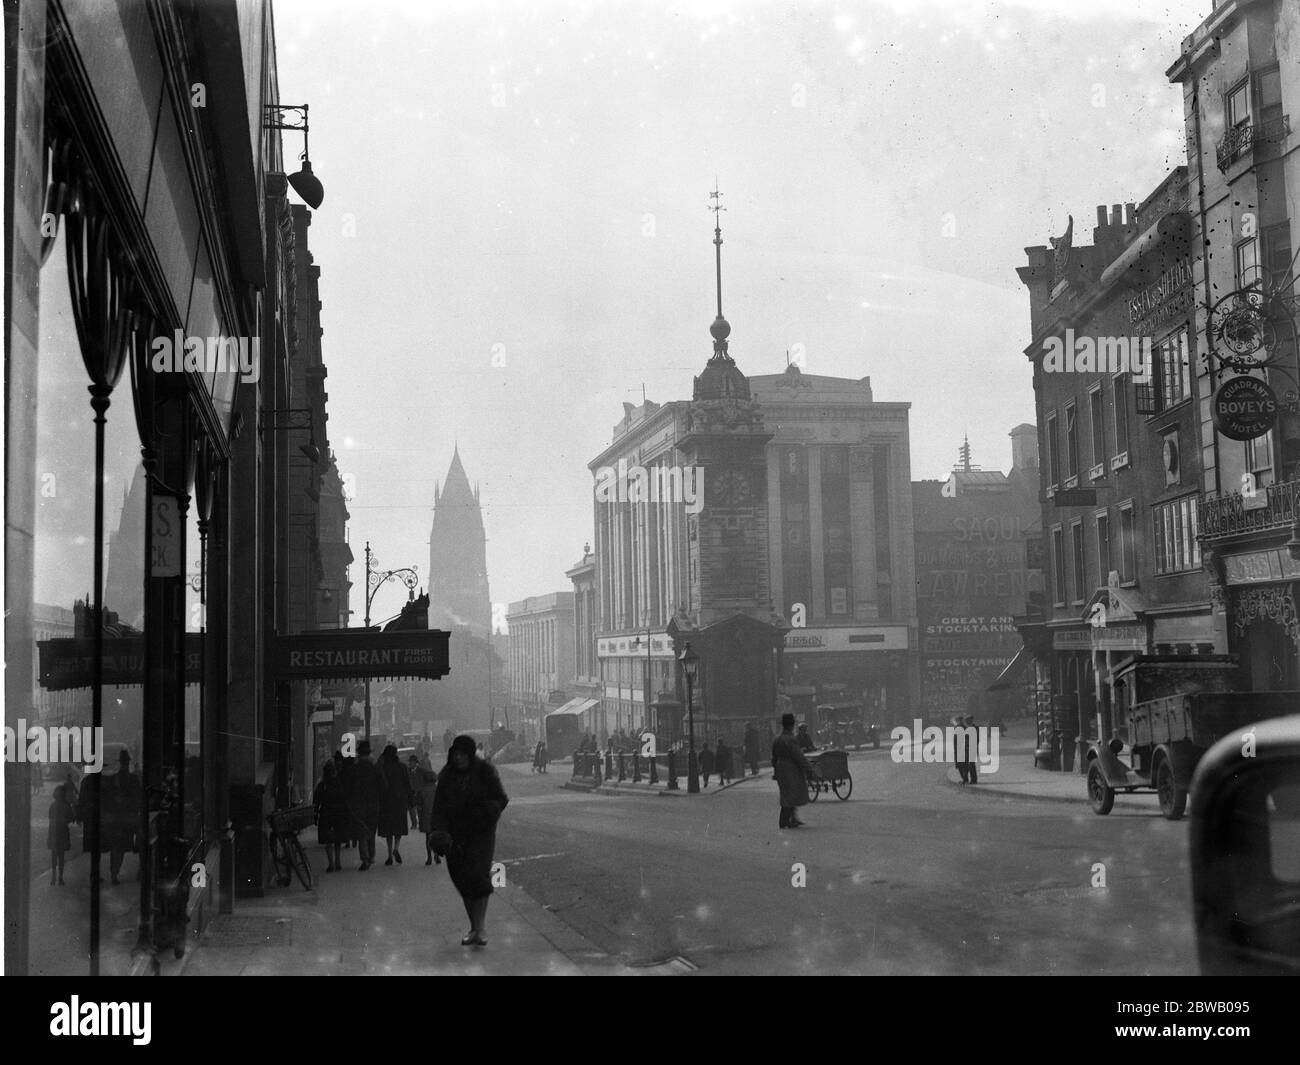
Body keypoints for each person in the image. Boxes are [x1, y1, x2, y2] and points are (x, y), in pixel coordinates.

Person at [429, 735, 510, 947]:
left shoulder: (485, 771)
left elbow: (500, 798)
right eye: (455, 754)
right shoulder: (446, 776)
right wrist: (438, 831)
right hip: (455, 836)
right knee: (462, 880)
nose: (458, 758)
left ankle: (480, 928)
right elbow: (438, 808)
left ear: (470, 755)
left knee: (479, 878)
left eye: (463, 755)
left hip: (481, 834)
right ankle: (473, 927)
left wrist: (486, 813)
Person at [105, 749, 142, 885]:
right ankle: (138, 871)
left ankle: (114, 872)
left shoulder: (115, 779)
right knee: (137, 843)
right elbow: (138, 798)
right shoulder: (133, 779)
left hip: (117, 818)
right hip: (129, 817)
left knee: (117, 848)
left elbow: (109, 800)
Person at [772, 713, 816, 829]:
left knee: (786, 794)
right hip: (790, 769)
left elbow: (773, 757)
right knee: (792, 793)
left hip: (780, 768)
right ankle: (785, 820)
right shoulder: (790, 740)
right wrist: (809, 767)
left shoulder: (777, 739)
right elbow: (798, 756)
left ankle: (790, 819)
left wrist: (776, 770)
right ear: (791, 725)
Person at [348, 740, 385, 870]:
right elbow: (383, 786)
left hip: (358, 804)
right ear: (369, 753)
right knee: (371, 830)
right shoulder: (375, 768)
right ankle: (372, 855)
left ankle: (365, 858)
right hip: (374, 803)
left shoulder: (354, 768)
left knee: (361, 832)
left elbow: (349, 788)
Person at [313, 761, 349, 873]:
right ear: (334, 772)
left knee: (328, 840)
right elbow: (344, 799)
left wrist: (315, 815)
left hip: (326, 814)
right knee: (337, 839)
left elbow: (316, 802)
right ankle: (338, 861)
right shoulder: (339, 783)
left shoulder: (321, 785)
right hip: (338, 813)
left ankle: (331, 864)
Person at [379, 744, 412, 865]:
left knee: (388, 831)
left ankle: (389, 856)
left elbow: (379, 786)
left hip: (386, 802)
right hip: (400, 801)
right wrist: (410, 800)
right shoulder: (402, 767)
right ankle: (396, 849)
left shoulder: (383, 768)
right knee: (398, 828)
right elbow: (408, 784)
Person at [48, 783, 76, 886]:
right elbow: (71, 818)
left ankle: (53, 877)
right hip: (63, 832)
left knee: (54, 856)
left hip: (53, 832)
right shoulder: (66, 805)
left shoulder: (53, 805)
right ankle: (60, 878)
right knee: (61, 856)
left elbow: (50, 818)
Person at [418, 766, 441, 865]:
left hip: (425, 816)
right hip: (437, 816)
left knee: (428, 837)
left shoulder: (421, 790)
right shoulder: (439, 790)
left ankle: (429, 857)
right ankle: (437, 854)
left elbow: (417, 803)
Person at [407, 754, 423, 830]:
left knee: (420, 809)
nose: (410, 764)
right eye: (410, 762)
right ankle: (414, 824)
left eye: (412, 762)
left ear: (416, 763)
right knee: (411, 809)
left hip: (419, 792)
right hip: (411, 793)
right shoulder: (407, 771)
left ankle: (421, 823)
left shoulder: (421, 771)